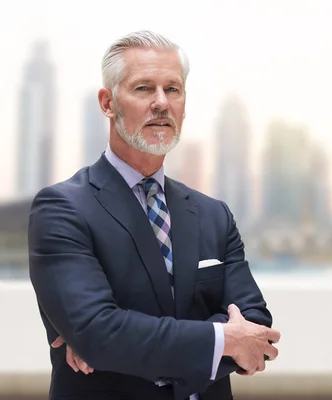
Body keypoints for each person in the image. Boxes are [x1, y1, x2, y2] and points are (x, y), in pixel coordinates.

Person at [28, 30, 280, 400]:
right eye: (144, 88)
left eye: (173, 89)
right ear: (108, 102)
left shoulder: (213, 215)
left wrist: (122, 345)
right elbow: (99, 332)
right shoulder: (62, 209)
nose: (162, 103)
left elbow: (256, 326)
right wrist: (222, 339)